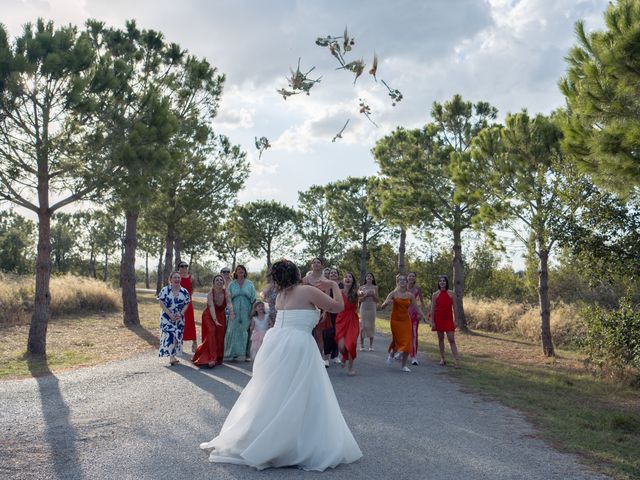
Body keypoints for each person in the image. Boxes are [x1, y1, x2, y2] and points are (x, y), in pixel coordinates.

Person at [200, 259, 362, 470]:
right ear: (295, 273)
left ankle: (271, 434)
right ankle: (291, 440)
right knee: (300, 392)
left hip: (276, 342)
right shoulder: (307, 292)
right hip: (298, 344)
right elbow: (338, 306)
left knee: (275, 391)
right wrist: (332, 286)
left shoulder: (281, 296)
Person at [380, 274, 424, 372]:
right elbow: (382, 306)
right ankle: (391, 355)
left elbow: (417, 308)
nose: (403, 281)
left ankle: (403, 366)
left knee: (407, 342)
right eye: (400, 280)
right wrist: (387, 303)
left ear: (407, 282)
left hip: (406, 320)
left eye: (404, 280)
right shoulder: (393, 294)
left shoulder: (410, 295)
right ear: (397, 282)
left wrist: (423, 316)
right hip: (395, 321)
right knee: (398, 342)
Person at [192, 275, 227, 368]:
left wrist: (232, 313)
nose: (219, 281)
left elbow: (230, 303)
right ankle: (212, 358)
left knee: (220, 336)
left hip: (221, 316)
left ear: (223, 282)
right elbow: (211, 307)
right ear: (214, 283)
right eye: (217, 280)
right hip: (209, 315)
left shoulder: (226, 293)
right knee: (211, 331)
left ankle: (216, 356)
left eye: (221, 280)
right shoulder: (210, 294)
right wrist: (215, 320)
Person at [157, 271, 191, 366]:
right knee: (170, 335)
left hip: (179, 317)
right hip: (167, 317)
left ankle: (173, 355)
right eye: (175, 278)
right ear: (170, 279)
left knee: (177, 336)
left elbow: (187, 303)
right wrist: (169, 314)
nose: (177, 279)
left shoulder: (184, 291)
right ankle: (172, 356)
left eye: (178, 278)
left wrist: (180, 314)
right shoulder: (165, 290)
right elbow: (161, 302)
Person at [224, 265, 256, 362]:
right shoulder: (232, 284)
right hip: (234, 310)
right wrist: (231, 311)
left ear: (245, 272)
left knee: (245, 331)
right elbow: (228, 299)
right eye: (238, 270)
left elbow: (254, 299)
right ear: (235, 272)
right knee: (232, 330)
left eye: (242, 270)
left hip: (247, 310)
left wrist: (252, 311)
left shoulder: (250, 284)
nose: (240, 271)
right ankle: (230, 353)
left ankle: (244, 354)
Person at [303, 258, 329, 363]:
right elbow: (301, 294)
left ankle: (319, 358)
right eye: (314, 262)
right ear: (311, 265)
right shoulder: (305, 279)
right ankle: (305, 357)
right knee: (305, 333)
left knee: (319, 334)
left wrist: (325, 312)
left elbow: (327, 298)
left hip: (320, 309)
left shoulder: (326, 281)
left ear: (321, 265)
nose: (316, 264)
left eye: (318, 262)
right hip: (306, 308)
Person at [431, 275, 460, 366]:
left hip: (448, 319)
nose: (442, 282)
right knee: (441, 339)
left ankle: (456, 360)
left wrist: (456, 320)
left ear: (446, 282)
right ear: (438, 283)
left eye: (444, 281)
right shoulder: (435, 295)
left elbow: (455, 307)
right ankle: (442, 358)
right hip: (438, 319)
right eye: (440, 281)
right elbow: (432, 309)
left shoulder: (452, 293)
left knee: (451, 339)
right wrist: (432, 321)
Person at [335, 272, 360, 376]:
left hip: (352, 320)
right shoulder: (339, 292)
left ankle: (350, 368)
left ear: (353, 280)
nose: (348, 278)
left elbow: (360, 293)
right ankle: (344, 356)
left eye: (350, 277)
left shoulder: (355, 292)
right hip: (341, 319)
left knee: (351, 343)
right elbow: (333, 303)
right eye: (346, 277)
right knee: (341, 346)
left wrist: (362, 293)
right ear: (343, 280)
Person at [407, 272, 426, 365]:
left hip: (414, 314)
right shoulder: (403, 287)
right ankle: (401, 352)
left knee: (414, 335)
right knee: (403, 334)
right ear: (407, 277)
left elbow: (422, 303)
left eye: (413, 276)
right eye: (410, 276)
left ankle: (414, 356)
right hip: (403, 314)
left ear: (415, 278)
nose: (411, 277)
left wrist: (420, 314)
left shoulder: (417, 288)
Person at [179, 262, 197, 353]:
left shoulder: (191, 277)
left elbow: (192, 289)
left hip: (188, 303)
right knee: (180, 322)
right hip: (179, 303)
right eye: (182, 266)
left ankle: (194, 342)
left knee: (190, 321)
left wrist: (188, 297)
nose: (184, 267)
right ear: (179, 267)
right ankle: (179, 343)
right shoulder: (176, 276)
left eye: (186, 266)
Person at [358, 272, 378, 351]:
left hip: (372, 308)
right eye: (368, 276)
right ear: (366, 278)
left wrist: (373, 295)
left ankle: (371, 346)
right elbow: (359, 300)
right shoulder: (361, 287)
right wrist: (365, 295)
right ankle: (362, 345)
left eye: (371, 276)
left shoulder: (375, 287)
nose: (369, 277)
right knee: (363, 326)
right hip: (364, 308)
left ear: (373, 279)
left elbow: (377, 300)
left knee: (371, 326)